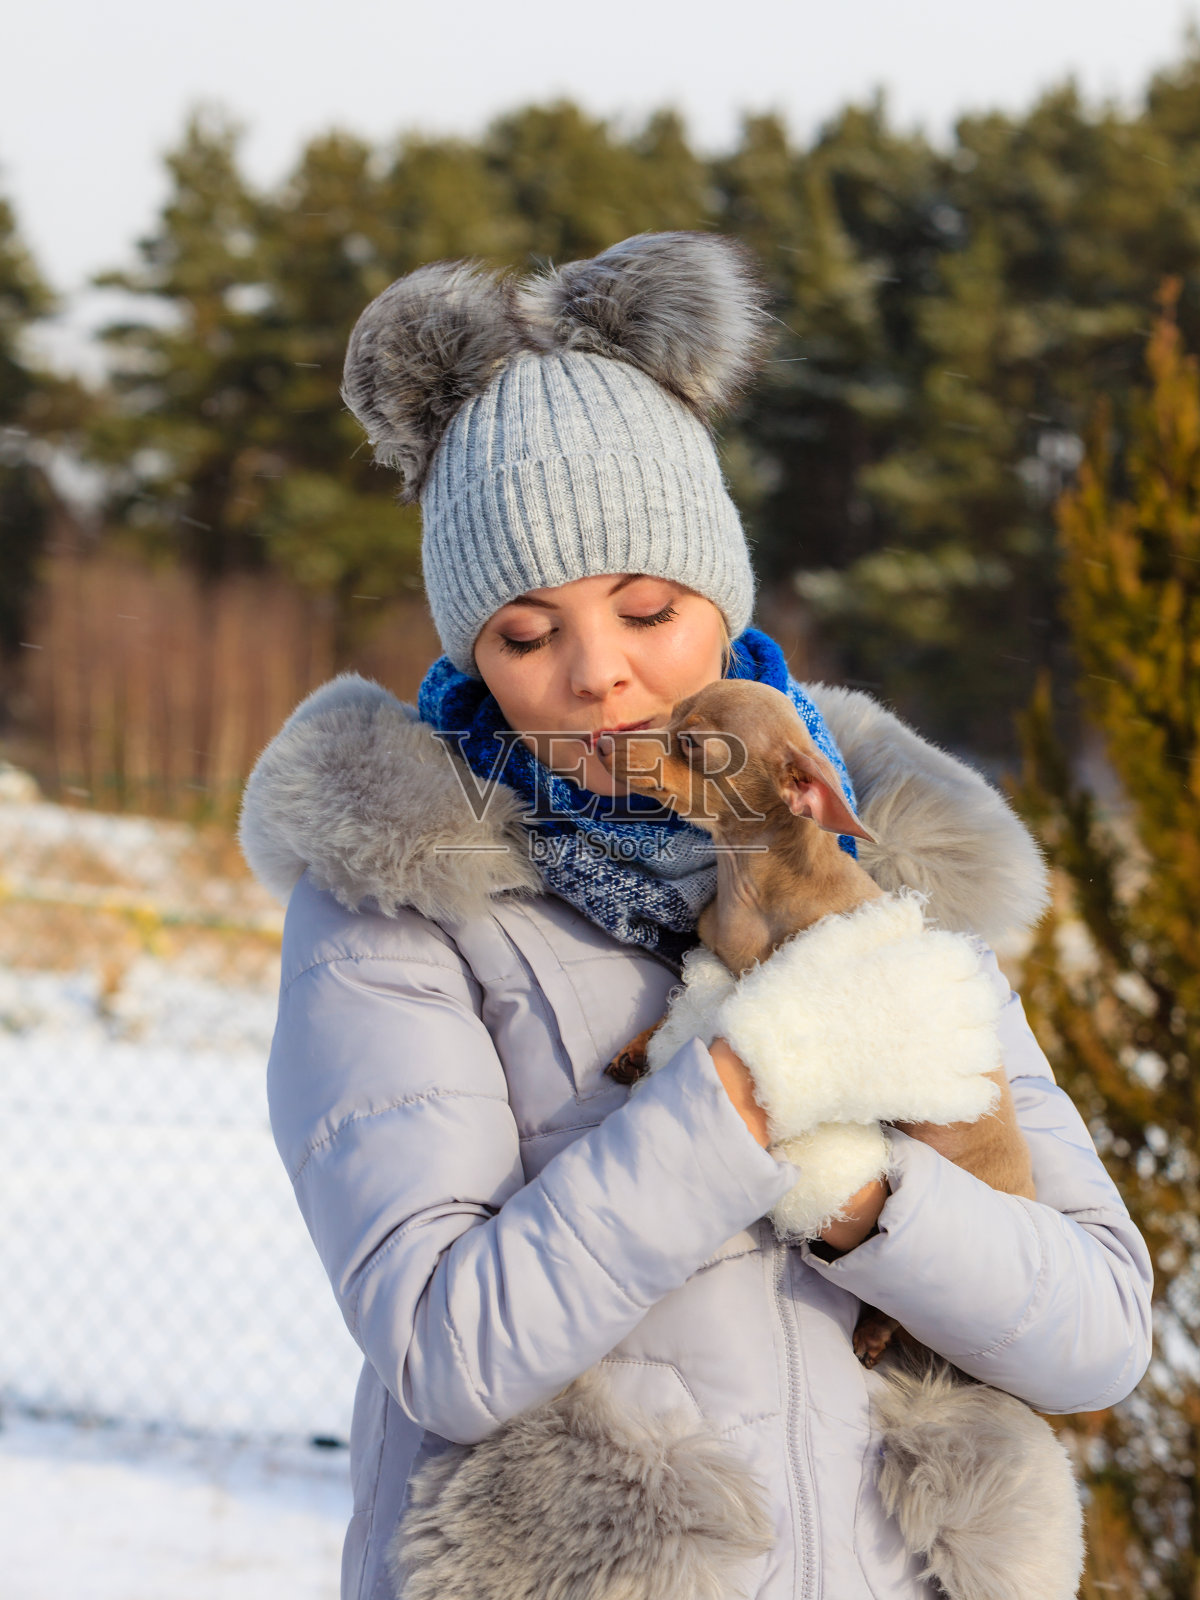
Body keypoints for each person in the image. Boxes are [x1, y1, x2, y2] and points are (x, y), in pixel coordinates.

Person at [239, 232, 1152, 1600]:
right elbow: (443, 1345)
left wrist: (863, 1200)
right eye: (526, 635)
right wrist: (749, 1090)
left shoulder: (879, 872)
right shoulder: (403, 908)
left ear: (720, 601)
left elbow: (1094, 1332)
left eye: (649, 609)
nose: (601, 677)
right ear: (472, 654)